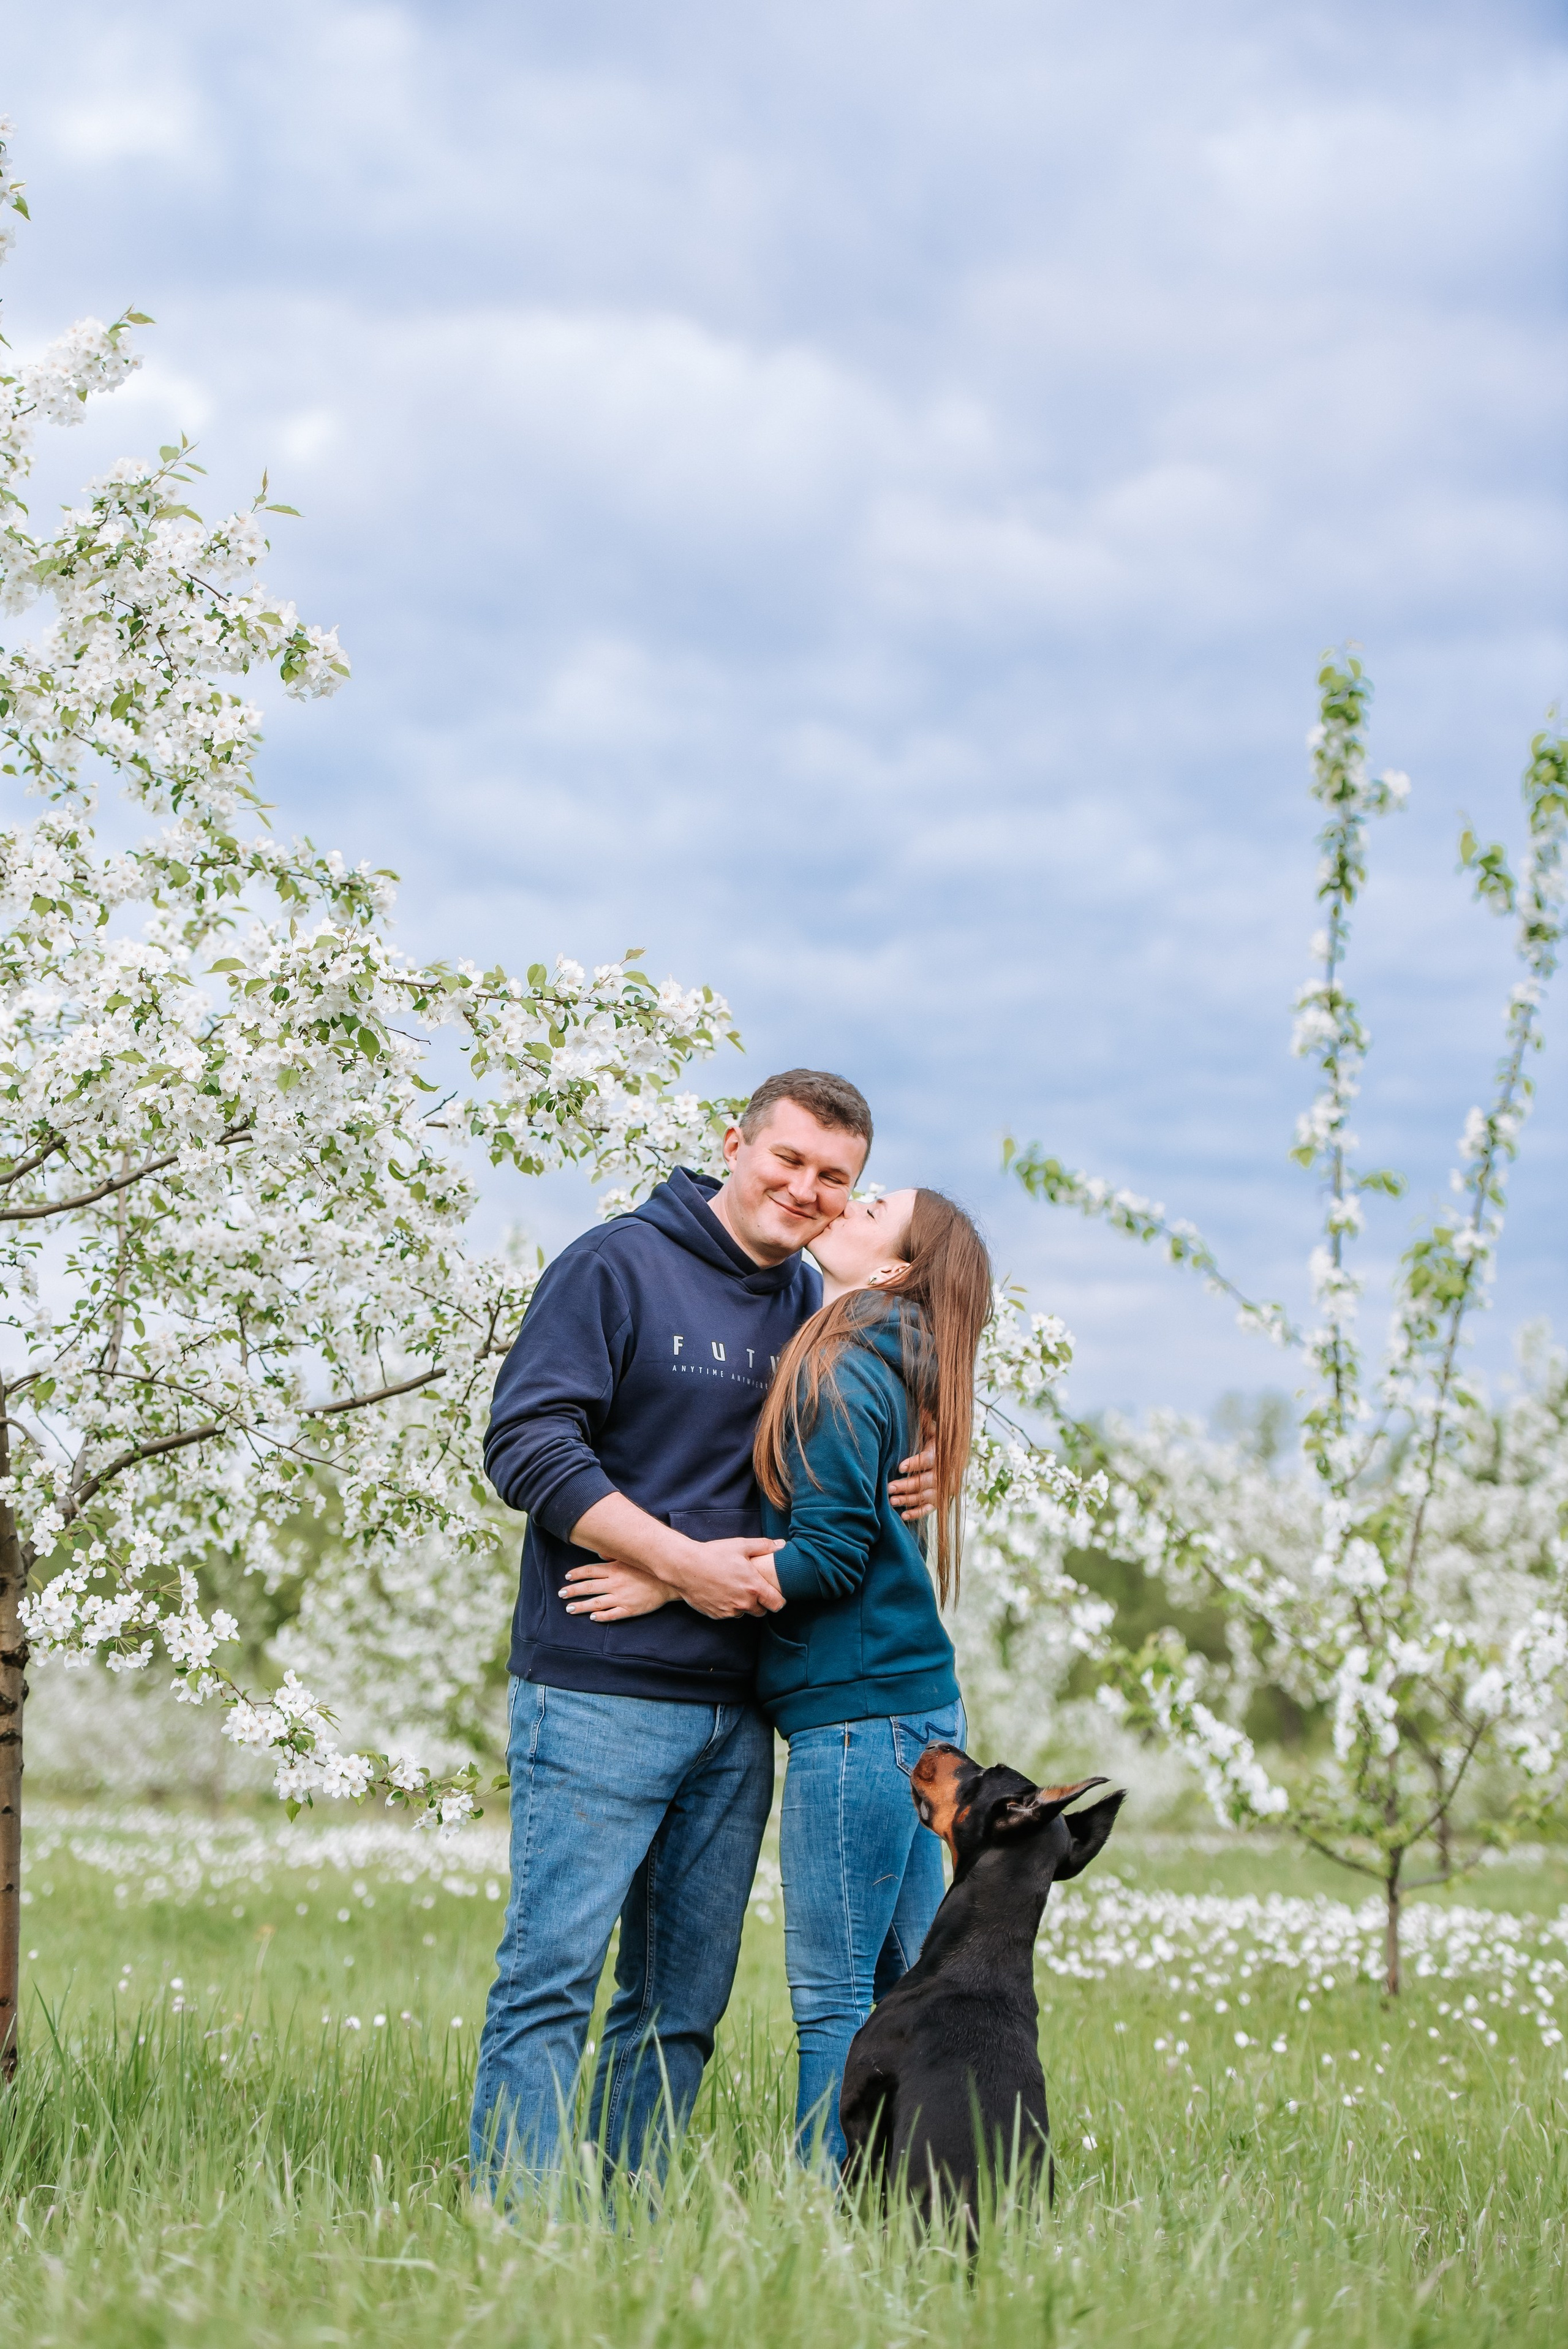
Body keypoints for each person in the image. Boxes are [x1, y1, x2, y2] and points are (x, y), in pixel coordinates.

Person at [469, 1069, 934, 2189]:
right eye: (788, 1160)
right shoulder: (615, 1265)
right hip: (599, 1688)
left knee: (681, 2006)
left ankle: (632, 2230)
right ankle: (516, 2228)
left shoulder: (818, 1308)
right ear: (735, 1143)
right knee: (552, 1981)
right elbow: (525, 1447)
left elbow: (824, 1474)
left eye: (838, 1178)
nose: (808, 1190)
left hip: (741, 1706)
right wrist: (670, 1561)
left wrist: (915, 1476)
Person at [565, 1185, 992, 2170]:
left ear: (890, 1271)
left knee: (837, 1999)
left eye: (875, 1205)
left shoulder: (843, 1368)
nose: (850, 1201)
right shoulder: (895, 1355)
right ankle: (928, 2204)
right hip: (909, 1704)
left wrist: (673, 1580)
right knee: (916, 1990)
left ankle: (822, 2227)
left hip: (860, 1716)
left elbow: (832, 1555)